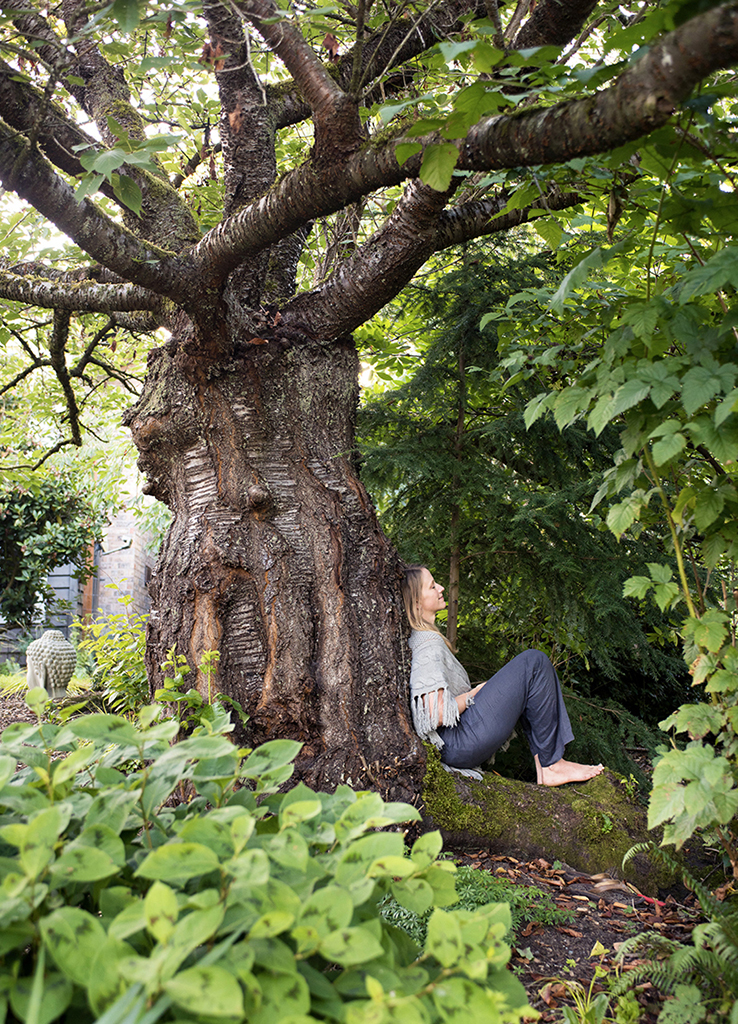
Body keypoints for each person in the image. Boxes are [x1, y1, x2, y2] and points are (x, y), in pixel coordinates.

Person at [401, 565, 604, 786]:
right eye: (432, 586)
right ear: (417, 602)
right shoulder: (427, 643)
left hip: (457, 743)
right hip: (457, 743)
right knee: (533, 663)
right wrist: (473, 694)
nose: (440, 588)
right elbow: (435, 714)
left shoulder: (425, 639)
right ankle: (551, 765)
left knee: (527, 681)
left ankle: (546, 767)